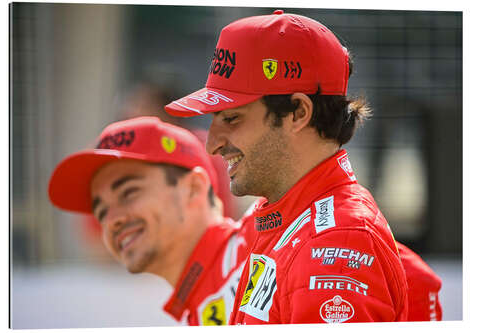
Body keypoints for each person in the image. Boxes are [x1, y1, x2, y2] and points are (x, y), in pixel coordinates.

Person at [165, 10, 434, 324]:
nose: (213, 144)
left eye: (232, 118)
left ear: (297, 113)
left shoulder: (334, 245)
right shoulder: (287, 218)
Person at [48, 116, 254, 325]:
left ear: (193, 189)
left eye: (129, 193)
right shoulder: (201, 302)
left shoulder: (260, 254)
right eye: (101, 212)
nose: (111, 221)